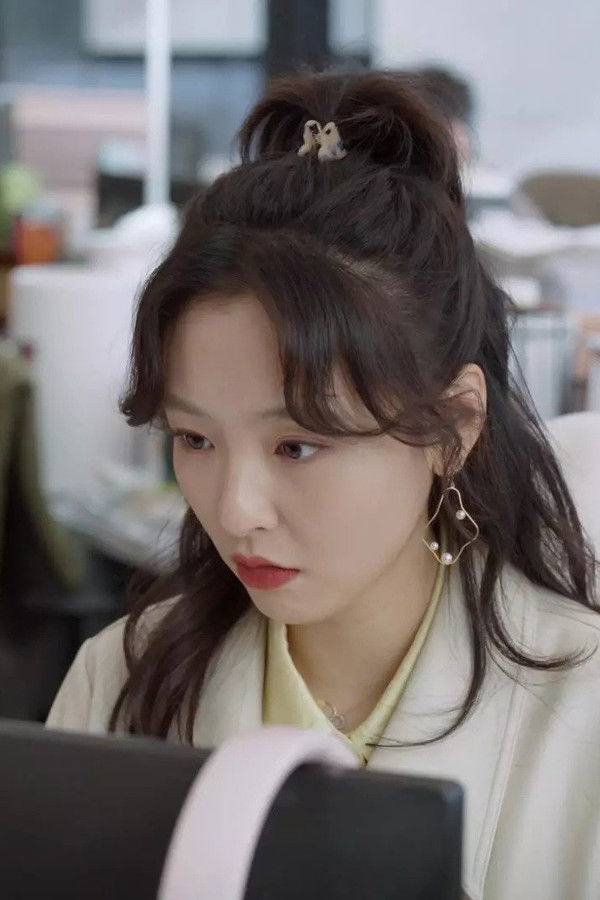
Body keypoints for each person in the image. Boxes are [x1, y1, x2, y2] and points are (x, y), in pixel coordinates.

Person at [47, 71, 600, 899]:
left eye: (298, 446)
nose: (234, 509)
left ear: (452, 429)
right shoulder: (119, 682)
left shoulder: (585, 714)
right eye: (195, 439)